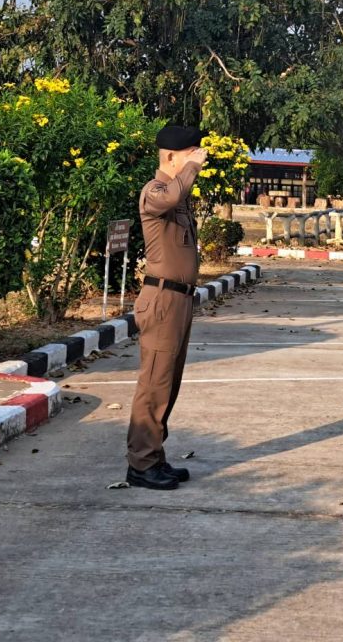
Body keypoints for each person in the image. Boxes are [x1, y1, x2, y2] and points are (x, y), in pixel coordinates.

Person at [126, 124, 208, 490]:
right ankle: (141, 464)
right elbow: (172, 197)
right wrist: (191, 168)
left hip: (180, 300)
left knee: (168, 383)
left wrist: (188, 170)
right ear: (171, 156)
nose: (198, 159)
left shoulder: (178, 195)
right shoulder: (155, 191)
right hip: (161, 300)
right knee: (154, 383)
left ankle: (154, 456)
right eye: (191, 153)